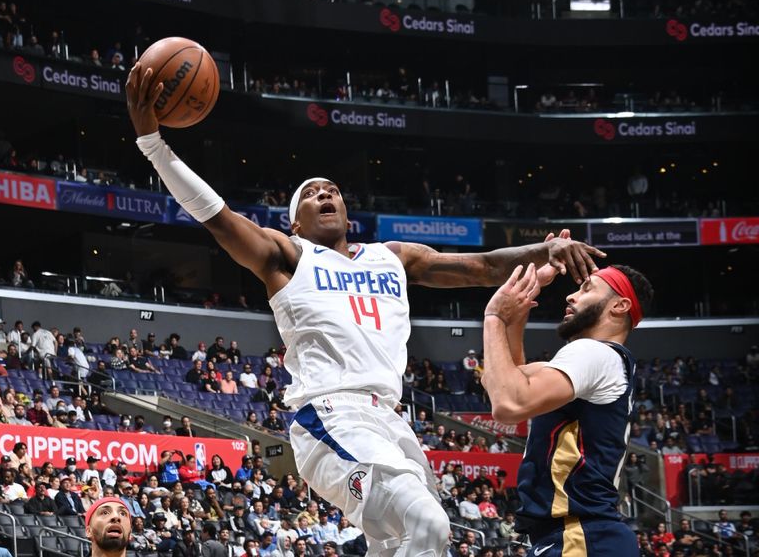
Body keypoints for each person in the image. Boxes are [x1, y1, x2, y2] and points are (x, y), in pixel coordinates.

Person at [126, 63, 604, 557]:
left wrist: (539, 251)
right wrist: (153, 145)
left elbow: (480, 266)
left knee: (404, 542)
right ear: (294, 223)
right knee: (427, 524)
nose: (324, 194)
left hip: (390, 421)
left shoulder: (391, 256)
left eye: (330, 189)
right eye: (310, 194)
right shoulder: (288, 257)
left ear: (347, 210)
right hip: (332, 414)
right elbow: (218, 218)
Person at [481, 262, 653, 557]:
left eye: (586, 289)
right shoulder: (599, 362)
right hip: (582, 535)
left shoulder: (594, 352)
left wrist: (495, 316)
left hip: (582, 535)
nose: (571, 296)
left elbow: (508, 403)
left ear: (620, 305)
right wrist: (518, 311)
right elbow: (503, 377)